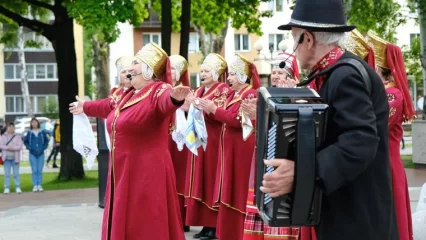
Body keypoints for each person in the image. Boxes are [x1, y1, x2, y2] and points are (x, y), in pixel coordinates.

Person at [260, 0, 398, 239]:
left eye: (295, 38)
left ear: (308, 39)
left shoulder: (345, 75)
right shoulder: (333, 73)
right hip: (346, 213)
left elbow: (360, 142)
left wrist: (301, 172)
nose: (294, 46)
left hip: (356, 219)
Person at [69, 42, 190, 240]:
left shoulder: (158, 90)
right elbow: (106, 105)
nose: (130, 68)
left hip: (146, 173)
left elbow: (165, 102)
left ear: (149, 71)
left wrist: (175, 99)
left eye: (136, 63)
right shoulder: (128, 95)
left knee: (145, 222)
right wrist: (85, 106)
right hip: (124, 171)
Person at [198, 54, 261, 240]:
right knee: (230, 188)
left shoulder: (250, 94)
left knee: (238, 190)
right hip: (230, 150)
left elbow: (236, 120)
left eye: (233, 74)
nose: (229, 78)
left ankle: (239, 231)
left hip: (242, 150)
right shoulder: (236, 94)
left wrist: (214, 109)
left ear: (243, 76)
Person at [241, 53, 301, 240]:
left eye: (280, 73)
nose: (275, 76)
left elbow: (295, 129)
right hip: (263, 157)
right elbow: (262, 130)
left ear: (290, 77)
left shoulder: (301, 94)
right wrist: (252, 116)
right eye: (273, 72)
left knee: (279, 204)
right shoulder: (266, 95)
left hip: (285, 158)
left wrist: (293, 97)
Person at [368, 30, 415, 240]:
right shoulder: (381, 92)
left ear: (379, 68)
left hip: (388, 164)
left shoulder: (392, 94)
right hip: (380, 162)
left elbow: (375, 124)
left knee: (392, 219)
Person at [183, 53, 231, 239]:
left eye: (206, 71)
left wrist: (205, 109)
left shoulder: (223, 91)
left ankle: (215, 224)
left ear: (217, 73)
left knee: (211, 180)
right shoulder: (199, 91)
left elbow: (220, 114)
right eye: (201, 70)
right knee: (200, 180)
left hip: (213, 142)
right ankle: (205, 224)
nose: (202, 74)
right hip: (199, 143)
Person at [168, 54, 191, 232]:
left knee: (181, 176)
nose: (171, 72)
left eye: (174, 68)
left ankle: (183, 218)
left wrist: (188, 107)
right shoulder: (162, 89)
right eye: (169, 68)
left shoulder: (187, 91)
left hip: (183, 138)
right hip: (166, 137)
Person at [24, 118, 49, 193]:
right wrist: (29, 148)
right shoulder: (29, 133)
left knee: (39, 170)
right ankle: (35, 185)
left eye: (35, 122)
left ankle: (39, 185)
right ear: (31, 124)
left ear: (38, 123)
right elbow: (26, 141)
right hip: (32, 153)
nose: (34, 124)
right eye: (33, 123)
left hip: (41, 153)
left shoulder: (42, 132)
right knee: (34, 170)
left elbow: (46, 141)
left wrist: (43, 147)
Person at [1, 122, 24, 194]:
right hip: (6, 158)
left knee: (16, 173)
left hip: (15, 158)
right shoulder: (3, 136)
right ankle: (7, 187)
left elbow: (20, 146)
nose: (11, 128)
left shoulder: (17, 136)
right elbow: (1, 145)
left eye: (12, 127)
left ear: (14, 128)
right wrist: (8, 148)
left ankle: (17, 187)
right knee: (7, 174)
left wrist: (13, 148)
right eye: (9, 127)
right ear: (7, 128)